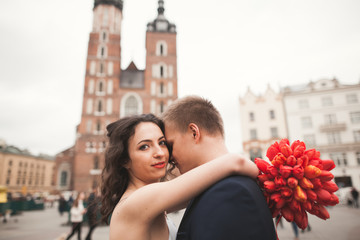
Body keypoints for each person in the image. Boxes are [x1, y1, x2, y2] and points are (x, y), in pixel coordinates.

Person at [101, 113, 259, 240]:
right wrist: (267, 177)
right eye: (144, 147)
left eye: (162, 143)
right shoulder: (138, 200)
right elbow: (235, 161)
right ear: (124, 160)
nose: (160, 153)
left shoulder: (155, 201)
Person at [162, 95, 277, 239]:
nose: (169, 157)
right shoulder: (224, 185)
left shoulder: (230, 191)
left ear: (194, 133)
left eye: (171, 145)